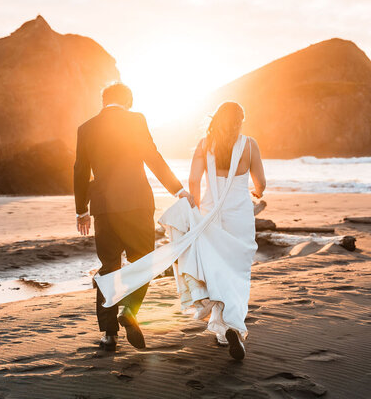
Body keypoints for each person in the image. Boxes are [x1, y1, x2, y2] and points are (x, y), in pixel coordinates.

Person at [94, 100, 266, 360]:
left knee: (215, 269)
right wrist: (257, 192)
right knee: (237, 273)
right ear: (240, 121)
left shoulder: (205, 145)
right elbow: (261, 183)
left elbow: (194, 181)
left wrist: (193, 209)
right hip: (239, 215)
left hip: (208, 214)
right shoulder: (250, 145)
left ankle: (223, 328)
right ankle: (230, 328)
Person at [73, 82, 193, 352]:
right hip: (137, 203)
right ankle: (130, 309)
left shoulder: (86, 128)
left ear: (104, 101)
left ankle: (109, 336)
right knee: (145, 259)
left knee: (108, 267)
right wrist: (178, 189)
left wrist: (82, 210)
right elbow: (152, 156)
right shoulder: (136, 120)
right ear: (128, 101)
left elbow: (80, 170)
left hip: (103, 207)